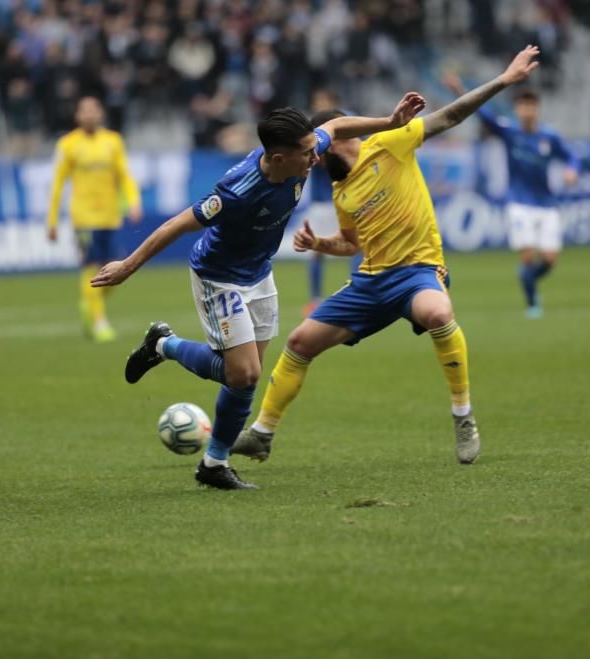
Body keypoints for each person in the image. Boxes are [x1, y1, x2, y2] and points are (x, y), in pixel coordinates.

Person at [90, 94, 426, 491]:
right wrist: (128, 266)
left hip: (260, 273)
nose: (315, 157)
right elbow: (178, 224)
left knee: (244, 378)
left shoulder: (307, 148)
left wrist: (390, 121)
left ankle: (214, 463)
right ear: (279, 159)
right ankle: (164, 345)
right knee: (243, 372)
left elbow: (334, 128)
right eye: (306, 153)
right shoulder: (236, 191)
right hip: (220, 277)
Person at [230, 46, 543, 466]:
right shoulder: (342, 189)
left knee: (437, 313)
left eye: (313, 144)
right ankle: (262, 433)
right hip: (371, 281)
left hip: (417, 271)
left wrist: (503, 81)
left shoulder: (389, 144)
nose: (312, 154)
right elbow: (352, 243)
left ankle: (463, 416)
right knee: (300, 341)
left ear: (331, 138)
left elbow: (449, 117)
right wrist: (323, 245)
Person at [444, 77, 579, 318]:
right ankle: (532, 302)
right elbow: (482, 113)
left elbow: (571, 156)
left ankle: (527, 279)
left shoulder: (550, 137)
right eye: (523, 105)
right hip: (519, 202)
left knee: (549, 260)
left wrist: (572, 170)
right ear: (517, 109)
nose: (527, 110)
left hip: (547, 203)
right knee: (527, 255)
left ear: (537, 109)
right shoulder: (509, 131)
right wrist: (460, 91)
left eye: (532, 105)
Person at [46, 96, 141, 343]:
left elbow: (125, 175)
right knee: (92, 266)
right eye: (84, 110)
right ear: (77, 115)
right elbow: (57, 184)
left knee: (116, 271)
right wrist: (52, 220)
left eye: (93, 110)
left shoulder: (113, 141)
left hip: (110, 216)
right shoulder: (68, 144)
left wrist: (133, 201)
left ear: (101, 114)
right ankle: (99, 322)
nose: (89, 115)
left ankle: (90, 300)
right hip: (84, 218)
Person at [302, 89, 362, 315]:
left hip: (347, 196)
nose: (318, 104)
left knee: (356, 245)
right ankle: (314, 298)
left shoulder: (348, 125)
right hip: (322, 201)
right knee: (316, 249)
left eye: (323, 100)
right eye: (316, 101)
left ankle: (357, 290)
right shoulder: (311, 130)